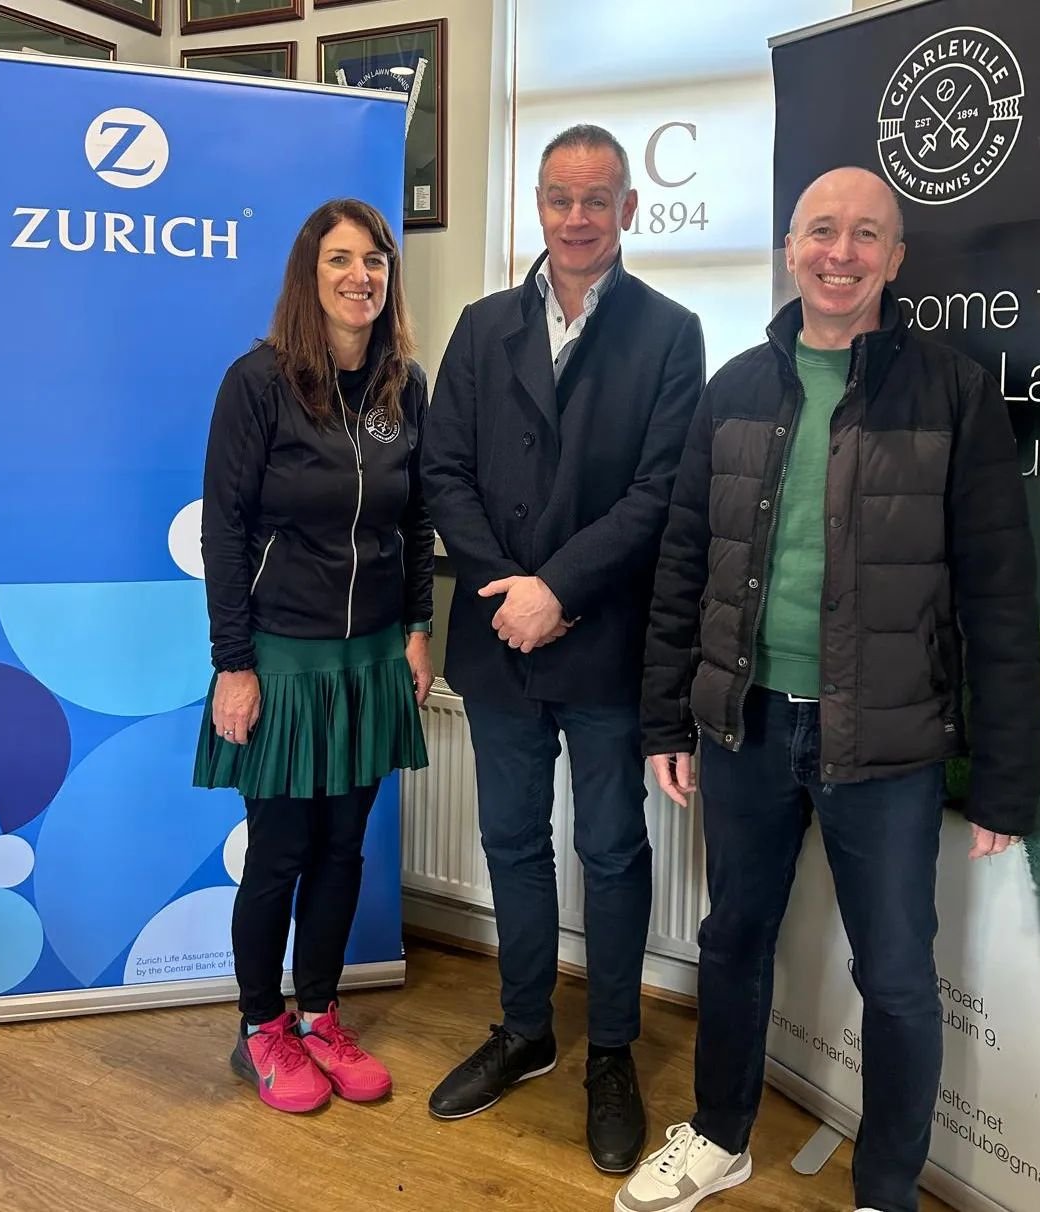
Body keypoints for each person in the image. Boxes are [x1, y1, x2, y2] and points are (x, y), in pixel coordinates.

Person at [619, 166, 1040, 1212]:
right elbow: (684, 563)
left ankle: (884, 1192)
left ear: (896, 259)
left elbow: (998, 587)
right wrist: (668, 714)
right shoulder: (736, 387)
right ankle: (720, 1136)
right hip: (744, 728)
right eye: (820, 230)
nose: (839, 252)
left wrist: (1005, 775)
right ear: (790, 247)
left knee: (897, 980)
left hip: (886, 743)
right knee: (732, 940)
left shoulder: (952, 391)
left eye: (865, 235)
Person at [421, 124, 705, 1173]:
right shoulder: (480, 324)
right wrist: (510, 591)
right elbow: (443, 471)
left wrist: (559, 591)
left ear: (628, 210)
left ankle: (614, 1053)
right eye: (558, 199)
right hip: (500, 643)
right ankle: (528, 1028)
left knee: (612, 850)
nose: (577, 218)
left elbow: (660, 494)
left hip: (601, 646)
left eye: (597, 200)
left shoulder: (672, 334)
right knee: (509, 844)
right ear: (536, 207)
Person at [193, 198, 434, 1115]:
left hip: (370, 659)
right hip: (283, 659)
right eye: (340, 259)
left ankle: (321, 1013)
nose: (360, 275)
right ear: (309, 273)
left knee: (344, 852)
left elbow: (417, 518)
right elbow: (225, 532)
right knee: (283, 853)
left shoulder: (403, 386)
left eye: (374, 260)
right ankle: (262, 1027)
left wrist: (416, 629)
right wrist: (234, 661)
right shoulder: (256, 384)